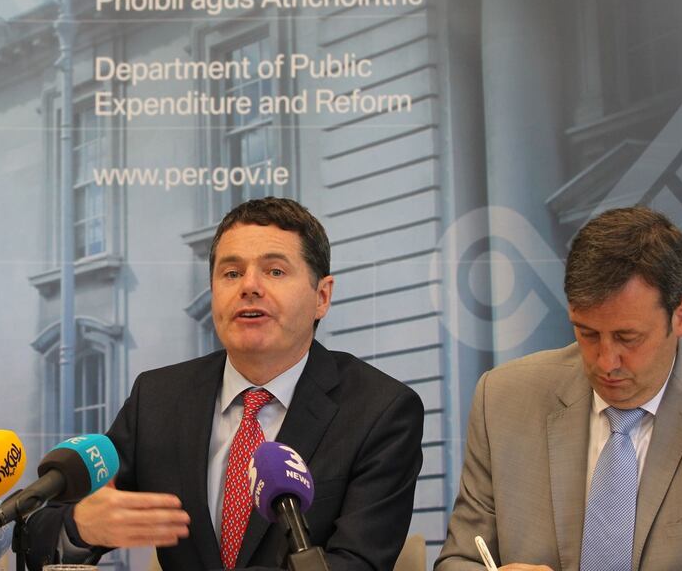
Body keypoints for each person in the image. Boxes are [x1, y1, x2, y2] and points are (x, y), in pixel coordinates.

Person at [26, 197, 424, 570]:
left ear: (322, 296)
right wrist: (81, 527)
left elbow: (357, 563)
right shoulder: (159, 399)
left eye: (275, 271)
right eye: (231, 273)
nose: (249, 286)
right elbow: (37, 535)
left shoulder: (379, 410)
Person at [436, 207, 682, 571]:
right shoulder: (504, 398)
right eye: (587, 333)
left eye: (627, 337)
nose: (606, 361)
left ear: (681, 315)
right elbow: (459, 560)